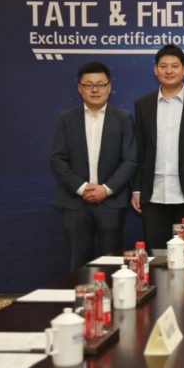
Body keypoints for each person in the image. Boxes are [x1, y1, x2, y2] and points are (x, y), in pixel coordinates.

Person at [50, 62, 137, 269]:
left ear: (109, 87)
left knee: (112, 263)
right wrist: (82, 188)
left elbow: (130, 160)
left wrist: (106, 189)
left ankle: (111, 293)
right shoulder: (66, 118)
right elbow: (57, 158)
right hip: (75, 203)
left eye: (100, 84)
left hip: (110, 202)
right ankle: (81, 293)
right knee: (79, 264)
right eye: (89, 85)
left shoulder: (123, 118)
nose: (95, 90)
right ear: (80, 88)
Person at [131, 44, 184, 253]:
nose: (169, 71)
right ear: (155, 70)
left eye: (174, 66)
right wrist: (137, 188)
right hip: (153, 194)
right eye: (163, 66)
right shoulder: (143, 104)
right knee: (156, 257)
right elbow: (139, 150)